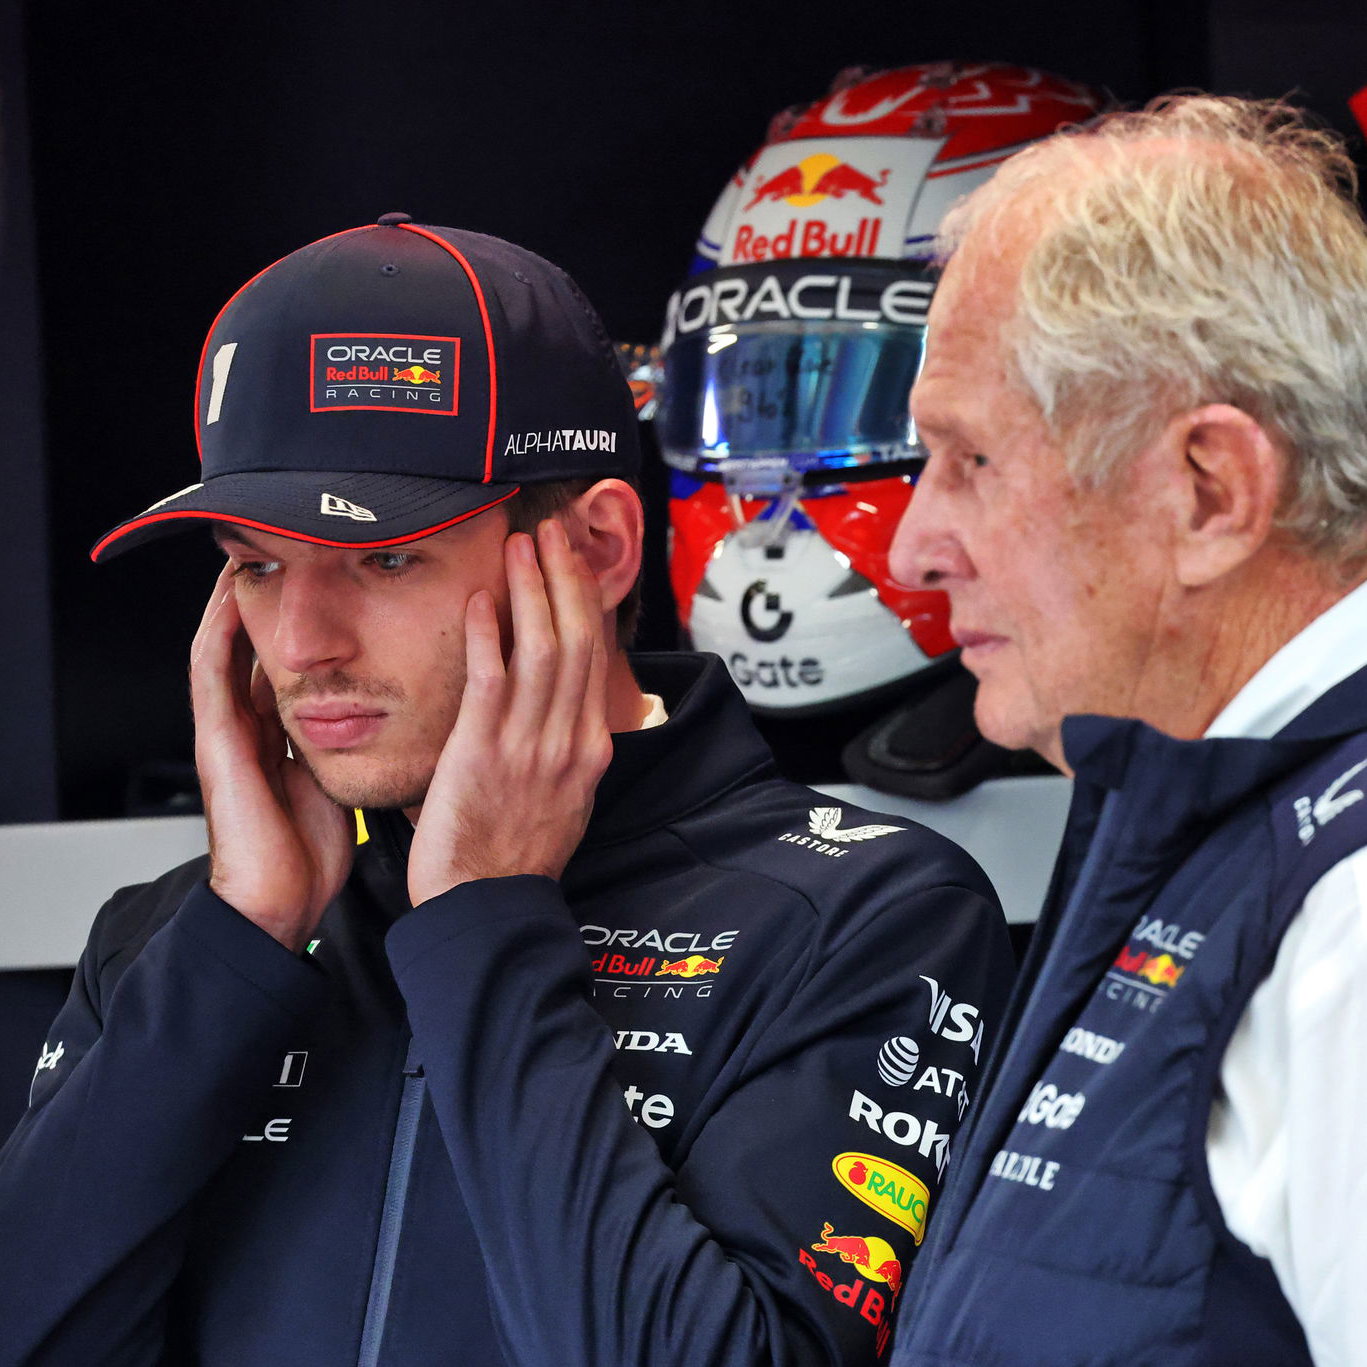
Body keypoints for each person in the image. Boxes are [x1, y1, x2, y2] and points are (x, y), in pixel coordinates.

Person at [0, 214, 1013, 1366]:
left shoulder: (870, 916)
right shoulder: (179, 939)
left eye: (385, 558)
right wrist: (235, 948)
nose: (300, 642)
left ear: (596, 546)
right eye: (256, 565)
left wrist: (486, 924)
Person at [884, 95, 1367, 1367]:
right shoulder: (1220, 819)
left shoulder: (1349, 920)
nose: (911, 546)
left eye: (968, 459)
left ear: (1210, 490)